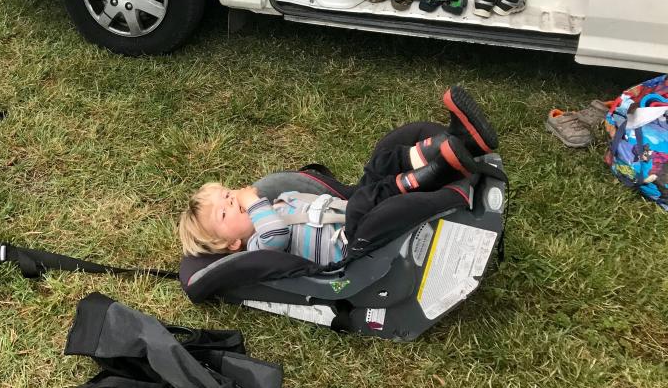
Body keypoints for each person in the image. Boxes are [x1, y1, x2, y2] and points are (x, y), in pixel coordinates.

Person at [179, 86, 501, 263]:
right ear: (233, 243)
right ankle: (437, 170)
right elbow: (277, 236)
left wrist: (262, 201)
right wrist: (253, 203)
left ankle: (459, 143)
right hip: (349, 244)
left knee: (381, 159)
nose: (232, 200)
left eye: (226, 194)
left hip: (347, 207)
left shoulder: (273, 204)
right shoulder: (257, 248)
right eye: (224, 211)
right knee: (365, 203)